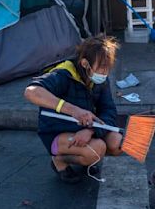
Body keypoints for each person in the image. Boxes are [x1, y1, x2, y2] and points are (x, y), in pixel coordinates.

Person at [24, 35, 122, 184]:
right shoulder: (63, 74)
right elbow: (31, 92)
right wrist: (73, 110)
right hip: (56, 131)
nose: (105, 72)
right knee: (97, 149)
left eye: (108, 66)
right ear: (84, 63)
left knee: (117, 142)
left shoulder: (100, 79)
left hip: (84, 128)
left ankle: (85, 157)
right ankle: (59, 160)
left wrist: (91, 131)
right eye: (102, 66)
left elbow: (109, 111)